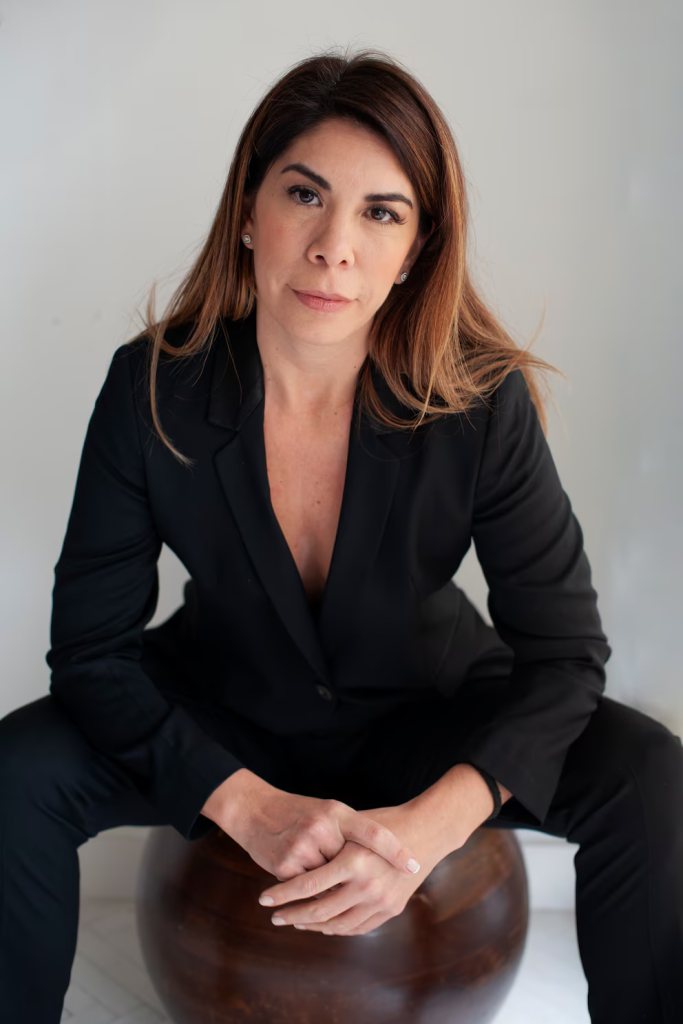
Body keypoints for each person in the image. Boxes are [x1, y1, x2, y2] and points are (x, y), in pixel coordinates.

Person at [1, 46, 681, 1024]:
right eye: (304, 195)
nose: (334, 246)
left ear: (416, 249)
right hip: (225, 705)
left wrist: (427, 828)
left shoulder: (480, 401)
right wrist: (239, 800)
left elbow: (565, 656)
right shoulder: (151, 387)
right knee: (17, 770)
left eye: (380, 213)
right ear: (248, 210)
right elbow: (89, 652)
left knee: (647, 772)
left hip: (427, 712)